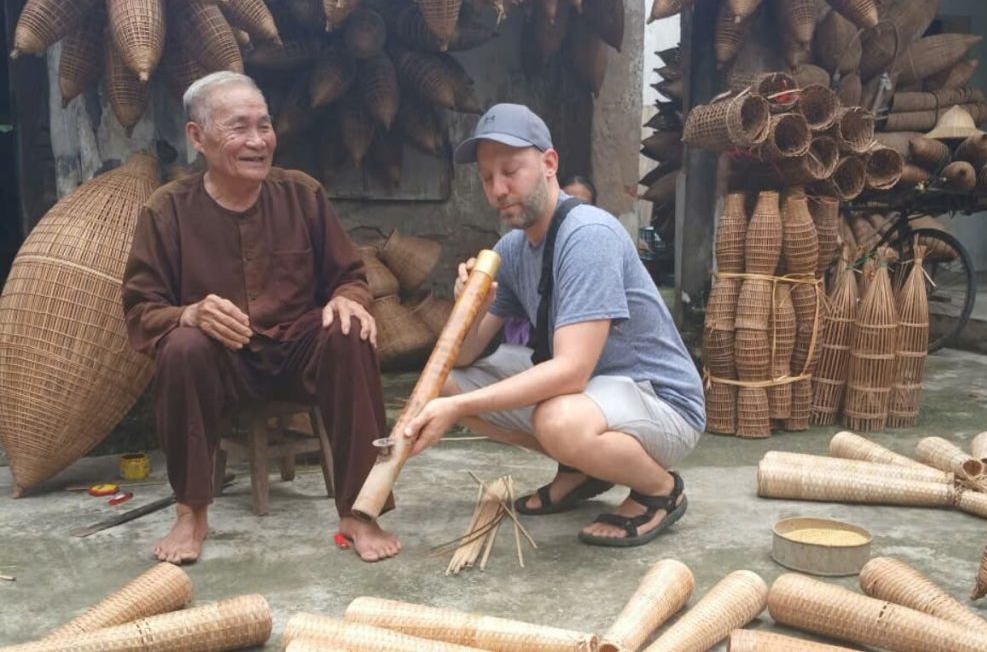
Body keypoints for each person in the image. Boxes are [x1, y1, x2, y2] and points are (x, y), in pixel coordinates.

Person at [122, 72, 400, 564]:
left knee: (350, 331)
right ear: (197, 138)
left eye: (264, 125)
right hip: (221, 364)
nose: (257, 141)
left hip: (297, 354)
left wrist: (348, 297)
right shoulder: (168, 210)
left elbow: (348, 275)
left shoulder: (302, 194)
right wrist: (189, 313)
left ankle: (361, 511)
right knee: (182, 346)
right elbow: (141, 309)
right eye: (239, 128)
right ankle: (191, 514)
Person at [403, 104, 705, 547]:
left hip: (661, 401)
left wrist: (458, 411)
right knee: (447, 385)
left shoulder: (588, 235)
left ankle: (659, 491)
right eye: (487, 178)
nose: (498, 190)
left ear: (549, 164)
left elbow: (571, 371)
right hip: (596, 395)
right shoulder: (513, 248)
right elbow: (462, 358)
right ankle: (582, 468)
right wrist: (472, 307)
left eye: (511, 171)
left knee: (557, 421)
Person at [502, 175, 597, 346]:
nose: (572, 212)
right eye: (567, 203)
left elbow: (575, 356)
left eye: (582, 205)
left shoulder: (594, 247)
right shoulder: (514, 249)